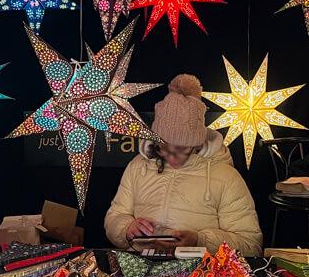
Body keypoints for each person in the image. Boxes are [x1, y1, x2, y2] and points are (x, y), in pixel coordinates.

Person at [104, 73, 263, 256]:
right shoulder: (138, 167)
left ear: (196, 143)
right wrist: (126, 228)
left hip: (200, 274)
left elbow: (251, 245)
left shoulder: (226, 177)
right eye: (164, 148)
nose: (173, 157)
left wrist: (200, 242)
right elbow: (115, 217)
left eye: (182, 149)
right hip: (140, 267)